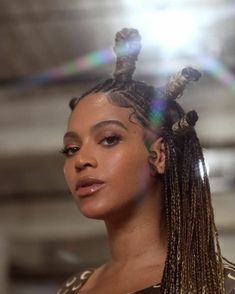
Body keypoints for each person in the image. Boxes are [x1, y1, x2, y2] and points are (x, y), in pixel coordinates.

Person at [57, 28, 235, 293]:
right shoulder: (74, 288)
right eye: (71, 148)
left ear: (159, 156)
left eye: (108, 139)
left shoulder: (217, 285)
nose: (80, 160)